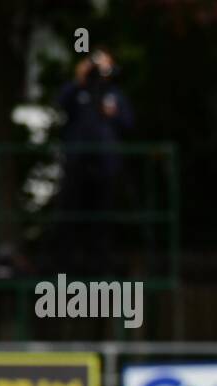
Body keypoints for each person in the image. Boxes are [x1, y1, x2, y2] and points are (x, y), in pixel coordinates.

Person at [54, 49, 134, 275]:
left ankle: (101, 264)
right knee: (71, 215)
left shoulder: (114, 95)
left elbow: (128, 123)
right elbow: (60, 103)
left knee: (103, 217)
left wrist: (113, 114)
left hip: (106, 166)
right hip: (77, 164)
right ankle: (67, 265)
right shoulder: (78, 92)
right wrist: (79, 78)